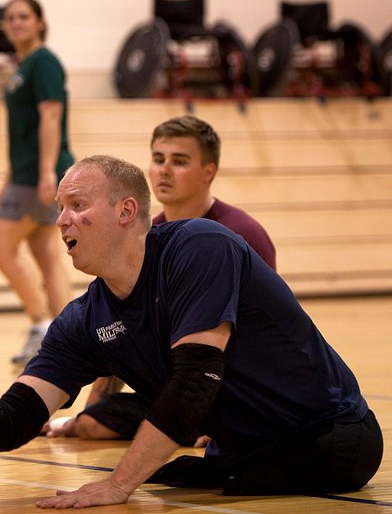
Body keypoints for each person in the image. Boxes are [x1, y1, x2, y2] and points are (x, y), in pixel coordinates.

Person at [0, 155, 382, 508]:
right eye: (60, 207)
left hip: (330, 439)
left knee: (172, 477)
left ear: (126, 212)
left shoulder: (199, 247)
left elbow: (195, 382)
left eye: (77, 204)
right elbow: (14, 419)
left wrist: (119, 484)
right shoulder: (82, 319)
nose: (61, 220)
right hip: (244, 453)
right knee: (180, 476)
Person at [48, 115, 277, 441]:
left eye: (179, 161)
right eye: (158, 159)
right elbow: (118, 326)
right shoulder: (143, 235)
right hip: (172, 384)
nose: (164, 170)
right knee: (92, 424)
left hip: (229, 385)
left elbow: (265, 334)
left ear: (208, 172)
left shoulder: (239, 234)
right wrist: (87, 413)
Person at [0, 0, 75, 365]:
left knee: (0, 248)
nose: (17, 22)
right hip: (26, 172)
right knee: (46, 255)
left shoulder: (44, 62)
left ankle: (41, 326)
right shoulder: (24, 65)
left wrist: (46, 173)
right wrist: (11, 174)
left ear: (40, 22)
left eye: (24, 16)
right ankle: (71, 335)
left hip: (40, 173)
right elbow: (21, 129)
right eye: (10, 18)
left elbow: (51, 117)